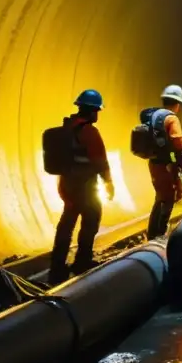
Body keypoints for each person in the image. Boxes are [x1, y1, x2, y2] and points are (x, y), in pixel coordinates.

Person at [49, 89, 114, 284]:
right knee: (91, 220)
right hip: (85, 186)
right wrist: (108, 182)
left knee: (66, 224)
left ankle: (57, 267)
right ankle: (82, 261)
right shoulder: (89, 131)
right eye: (97, 111)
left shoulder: (67, 127)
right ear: (92, 110)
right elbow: (100, 161)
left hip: (67, 185)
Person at [145, 84, 182, 239]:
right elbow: (178, 144)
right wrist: (179, 166)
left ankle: (152, 233)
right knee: (169, 198)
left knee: (160, 197)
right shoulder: (171, 118)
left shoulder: (155, 115)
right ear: (177, 104)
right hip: (167, 164)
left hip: (155, 162)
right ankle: (159, 234)